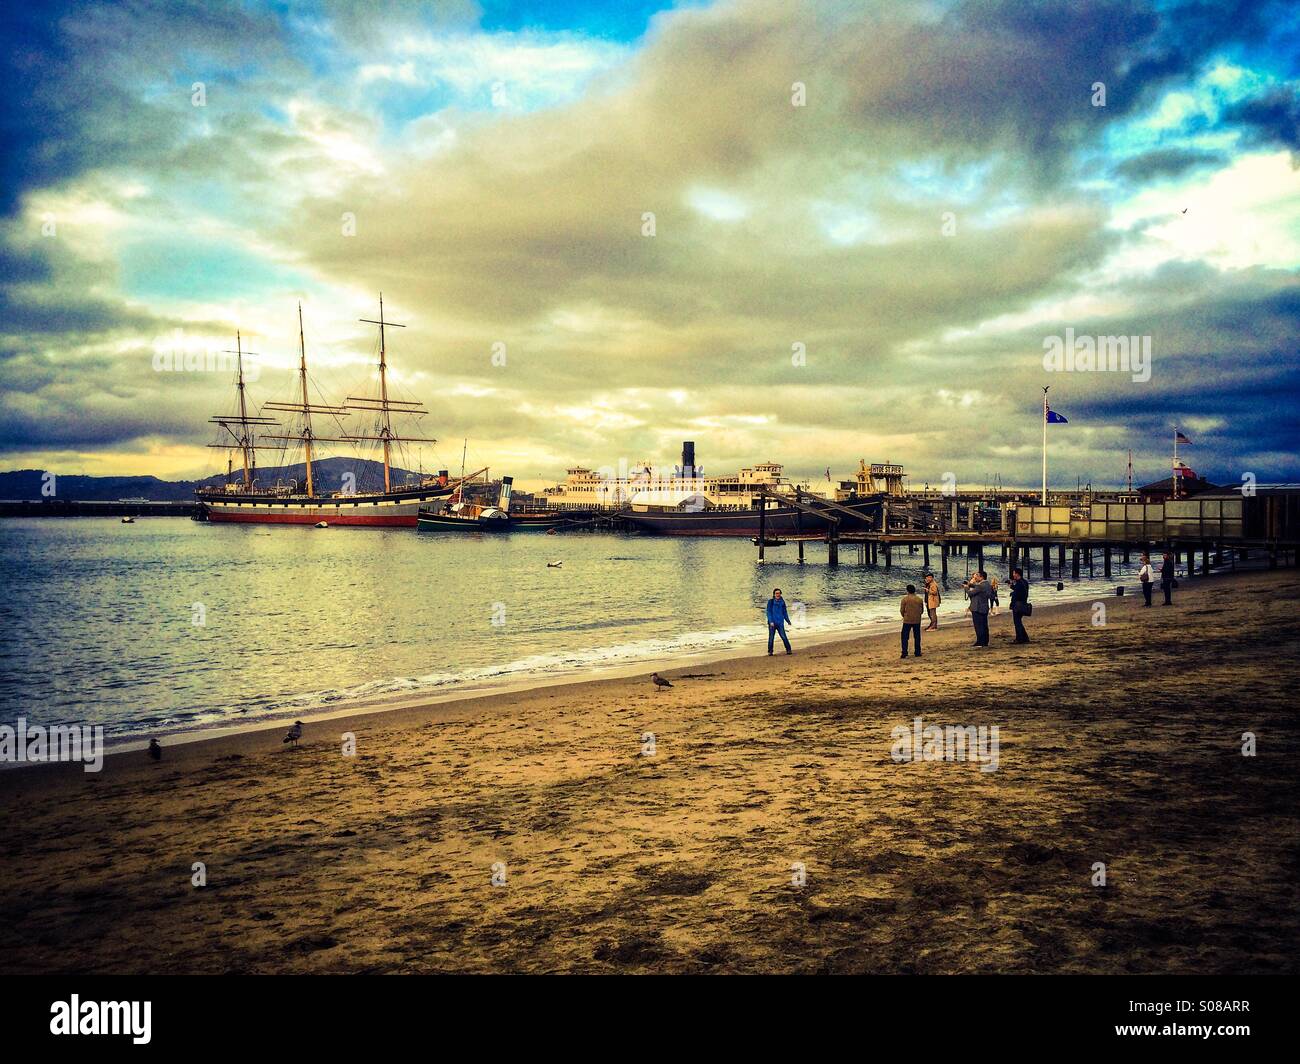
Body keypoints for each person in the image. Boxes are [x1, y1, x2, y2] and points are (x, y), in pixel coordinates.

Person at [961, 570, 992, 647]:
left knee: (978, 625)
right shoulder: (987, 584)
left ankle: (980, 642)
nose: (975, 577)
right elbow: (978, 587)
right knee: (984, 625)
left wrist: (966, 588)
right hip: (984, 607)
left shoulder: (980, 586)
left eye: (977, 576)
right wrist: (970, 584)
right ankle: (985, 641)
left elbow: (971, 593)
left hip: (977, 608)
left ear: (981, 577)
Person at [900, 584, 924, 658]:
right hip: (917, 620)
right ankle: (917, 652)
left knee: (904, 637)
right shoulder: (919, 599)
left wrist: (904, 616)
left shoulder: (905, 599)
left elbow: (902, 610)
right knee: (917, 636)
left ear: (907, 591)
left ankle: (904, 652)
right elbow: (922, 610)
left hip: (907, 620)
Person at [766, 588, 792, 655]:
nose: (778, 594)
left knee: (783, 636)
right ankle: (770, 651)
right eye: (776, 593)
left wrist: (788, 620)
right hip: (772, 623)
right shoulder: (770, 602)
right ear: (774, 594)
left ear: (780, 594)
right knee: (771, 638)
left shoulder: (782, 602)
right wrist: (771, 621)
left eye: (779, 593)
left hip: (780, 623)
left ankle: (788, 650)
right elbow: (768, 612)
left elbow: (784, 612)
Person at [1008, 567, 1030, 643]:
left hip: (1018, 604)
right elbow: (1021, 591)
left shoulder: (1019, 582)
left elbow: (1018, 593)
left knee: (1017, 622)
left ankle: (1019, 638)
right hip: (1022, 603)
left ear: (1017, 574)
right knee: (1018, 621)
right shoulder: (1024, 582)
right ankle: (1025, 638)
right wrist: (1012, 587)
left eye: (1014, 573)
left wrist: (1013, 593)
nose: (1013, 575)